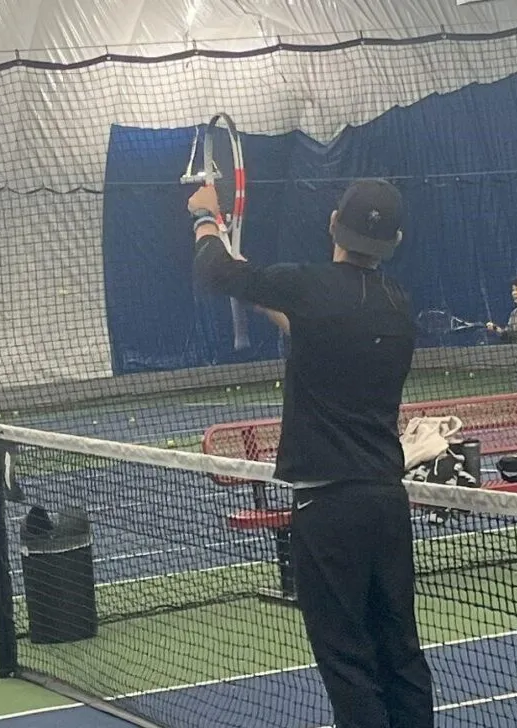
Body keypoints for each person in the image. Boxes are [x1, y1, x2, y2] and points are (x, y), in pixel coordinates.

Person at [188, 179, 434, 728]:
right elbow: (309, 320)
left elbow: (214, 272)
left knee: (346, 658)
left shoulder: (308, 287)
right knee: (400, 650)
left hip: (327, 511)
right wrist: (250, 277)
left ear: (331, 223)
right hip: (386, 504)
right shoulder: (397, 304)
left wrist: (206, 219)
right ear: (393, 239)